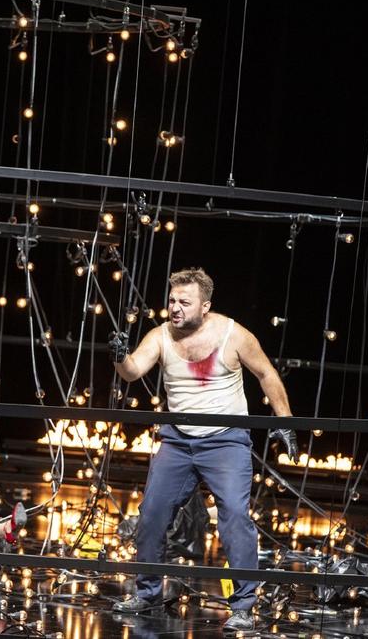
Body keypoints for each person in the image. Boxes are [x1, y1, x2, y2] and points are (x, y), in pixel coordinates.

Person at [108, 268, 297, 633]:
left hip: (226, 440)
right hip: (178, 440)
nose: (175, 308)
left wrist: (285, 421)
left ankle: (243, 606)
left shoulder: (232, 334)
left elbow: (267, 374)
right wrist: (119, 356)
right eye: (172, 301)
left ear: (205, 306)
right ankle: (147, 592)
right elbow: (132, 371)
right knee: (152, 513)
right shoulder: (160, 335)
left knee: (235, 517)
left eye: (184, 302)